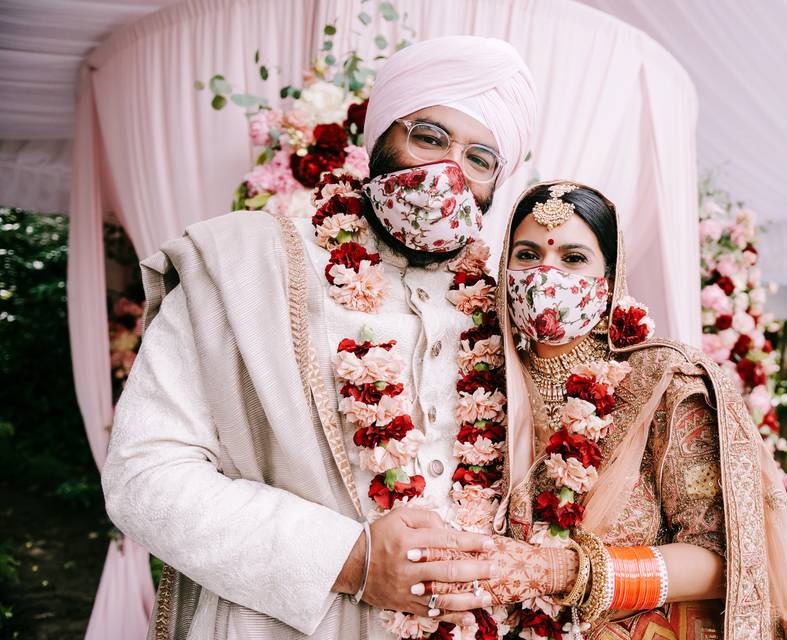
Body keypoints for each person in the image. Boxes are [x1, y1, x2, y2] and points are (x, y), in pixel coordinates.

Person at [101, 36, 575, 640]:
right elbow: (146, 476)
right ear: (378, 141)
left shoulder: (511, 309)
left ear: (493, 184)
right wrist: (352, 560)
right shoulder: (243, 263)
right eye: (429, 137)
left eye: (480, 158)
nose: (448, 170)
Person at [492, 181, 787, 639]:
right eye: (527, 255)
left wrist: (565, 571)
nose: (546, 275)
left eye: (573, 259)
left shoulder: (665, 381)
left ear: (610, 278)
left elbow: (724, 559)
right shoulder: (480, 378)